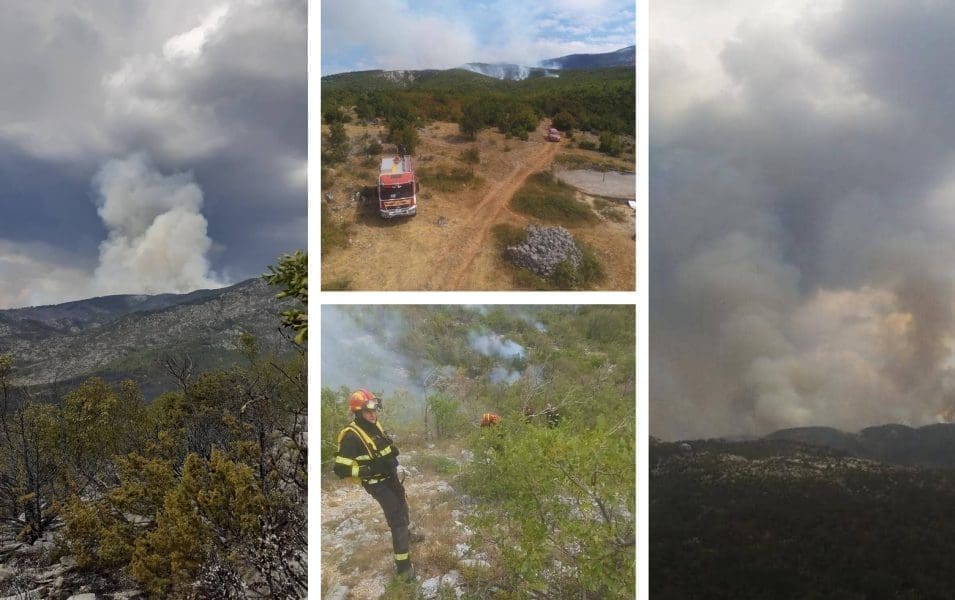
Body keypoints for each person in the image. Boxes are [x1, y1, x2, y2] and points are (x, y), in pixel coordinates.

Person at [334, 389, 415, 579]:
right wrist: (365, 471)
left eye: (375, 409)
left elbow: (380, 448)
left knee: (402, 505)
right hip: (377, 483)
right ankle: (404, 567)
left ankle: (407, 535)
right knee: (397, 518)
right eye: (368, 411)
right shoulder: (351, 437)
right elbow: (340, 469)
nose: (373, 414)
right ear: (357, 412)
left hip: (391, 476)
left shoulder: (374, 425)